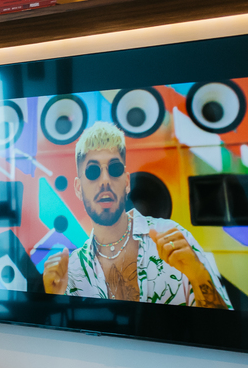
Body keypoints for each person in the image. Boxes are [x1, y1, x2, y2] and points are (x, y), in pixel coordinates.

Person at [42, 122, 231, 308]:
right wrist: (54, 299)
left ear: (126, 183)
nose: (105, 180)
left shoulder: (173, 237)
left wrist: (198, 274)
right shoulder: (71, 271)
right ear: (78, 188)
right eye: (93, 171)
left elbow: (223, 323)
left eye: (114, 169)